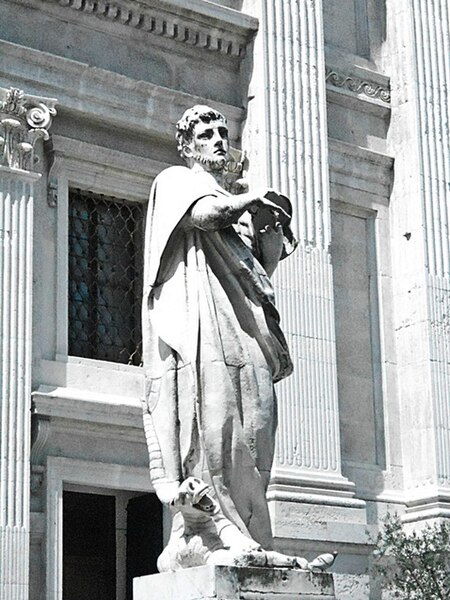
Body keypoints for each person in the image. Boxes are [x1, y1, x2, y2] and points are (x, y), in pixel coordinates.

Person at [141, 105, 298, 571]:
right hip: (198, 325)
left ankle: (252, 531)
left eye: (221, 132)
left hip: (241, 328)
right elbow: (204, 214)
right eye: (205, 133)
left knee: (257, 421)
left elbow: (254, 278)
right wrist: (247, 201)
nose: (216, 139)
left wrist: (268, 243)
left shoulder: (233, 210)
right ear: (187, 145)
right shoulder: (175, 181)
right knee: (214, 415)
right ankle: (209, 531)